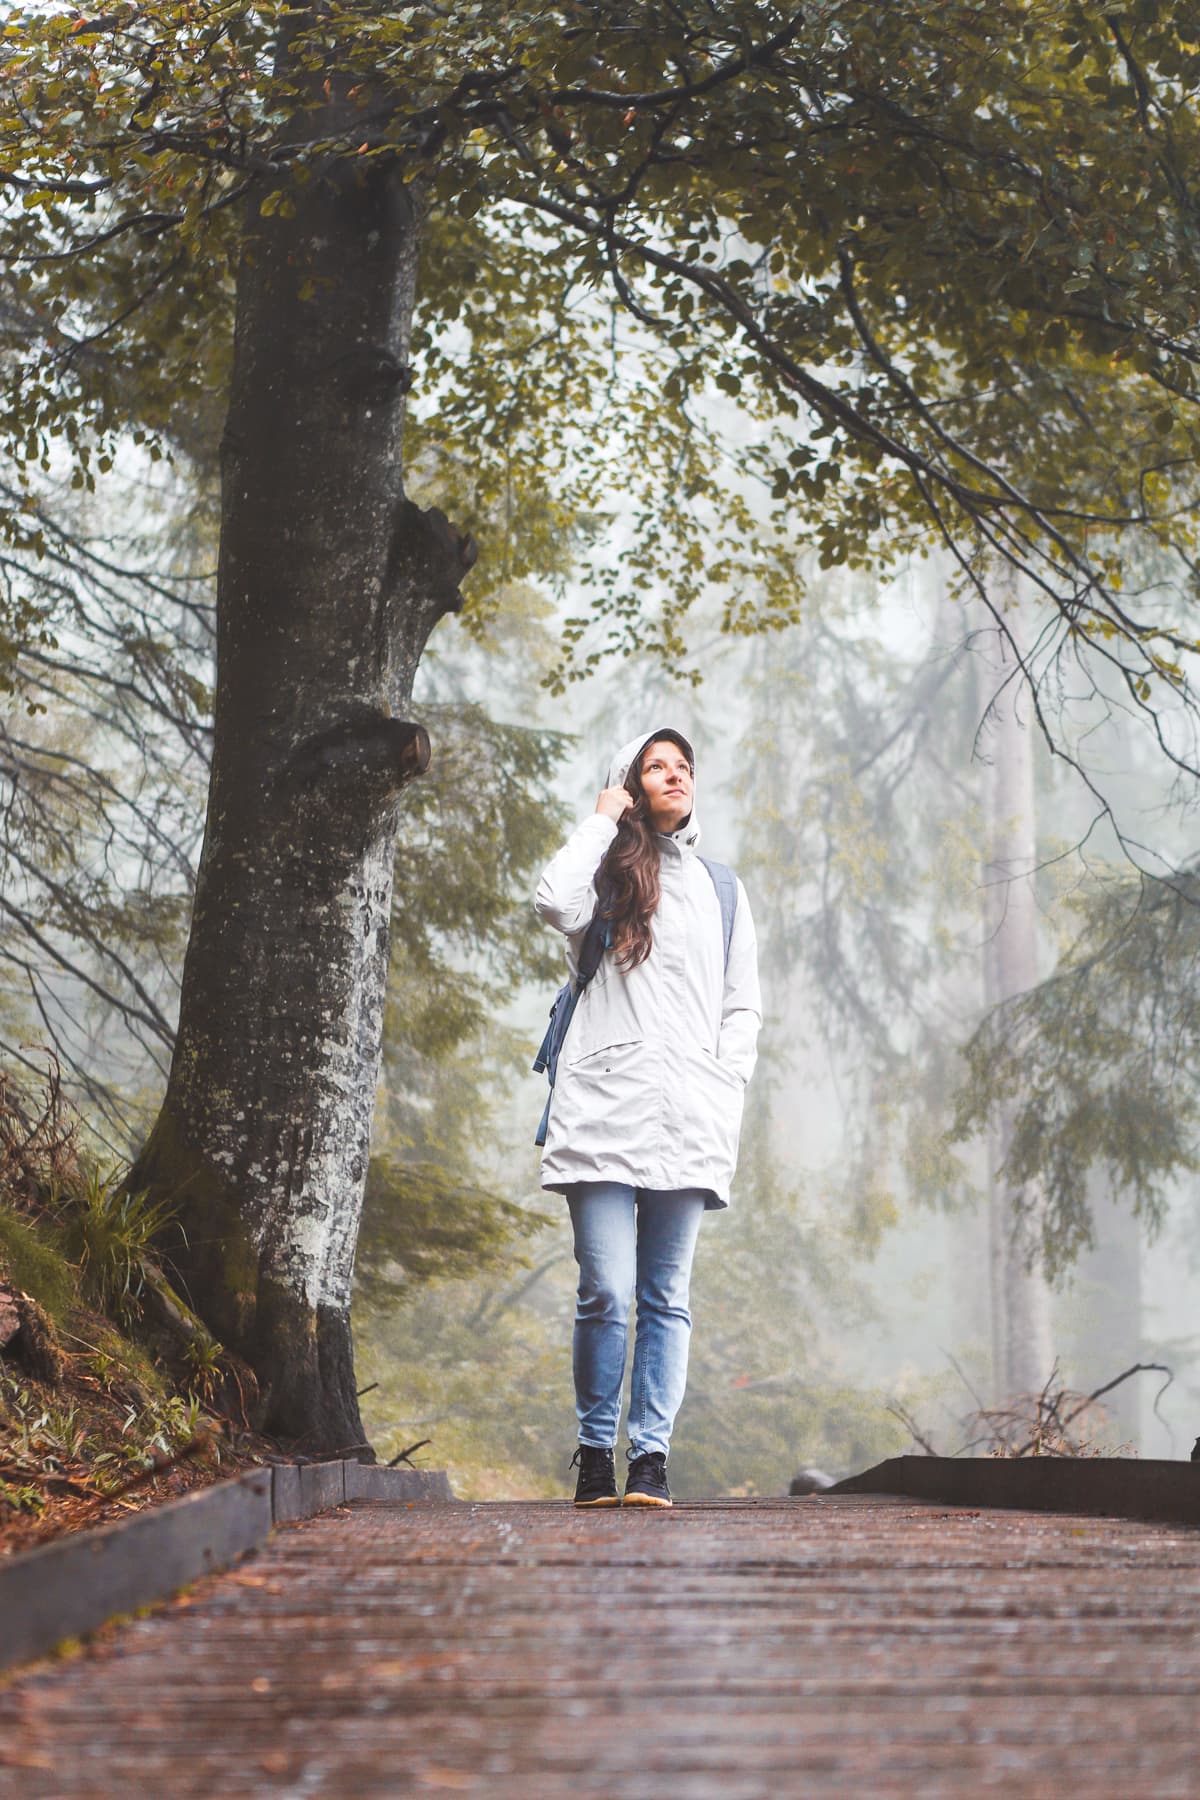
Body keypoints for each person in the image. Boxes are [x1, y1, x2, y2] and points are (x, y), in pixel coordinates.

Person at [535, 727, 761, 1507]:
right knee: (605, 1286)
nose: (675, 776)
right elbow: (549, 902)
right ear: (629, 784)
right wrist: (602, 819)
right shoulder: (601, 873)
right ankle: (595, 1452)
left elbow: (743, 1005)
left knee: (667, 1295)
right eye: (656, 766)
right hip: (604, 1106)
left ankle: (650, 1460)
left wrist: (725, 1081)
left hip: (692, 1112)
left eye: (683, 766)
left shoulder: (721, 888)